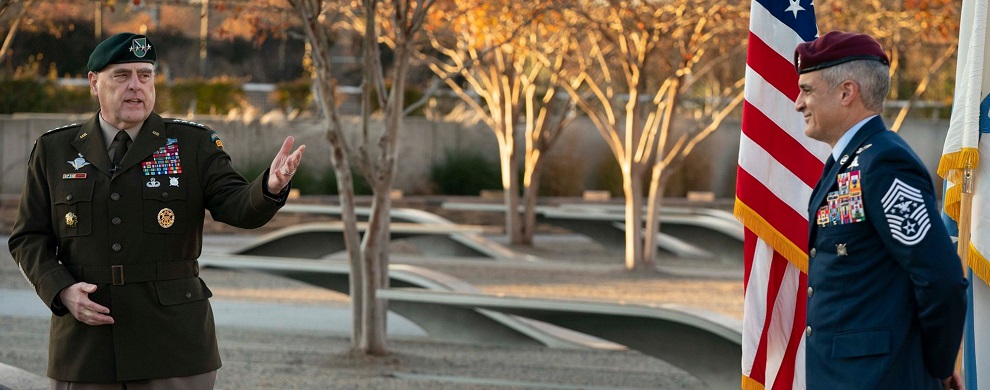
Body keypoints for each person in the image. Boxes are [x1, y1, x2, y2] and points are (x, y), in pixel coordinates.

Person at [8, 32, 305, 389]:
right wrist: (62, 291)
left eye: (145, 75)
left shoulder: (192, 144)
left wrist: (270, 187)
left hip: (173, 344)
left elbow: (237, 207)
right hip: (86, 346)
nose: (136, 86)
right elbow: (28, 238)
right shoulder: (54, 149)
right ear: (93, 82)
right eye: (122, 75)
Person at [795, 31, 967, 390]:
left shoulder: (884, 163)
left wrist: (936, 364)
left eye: (807, 90)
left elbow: (940, 278)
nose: (798, 103)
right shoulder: (849, 161)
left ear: (846, 92)